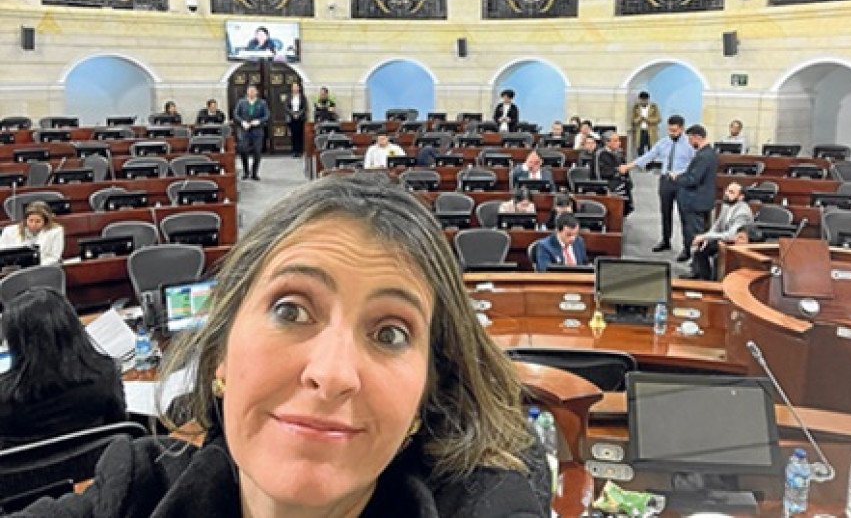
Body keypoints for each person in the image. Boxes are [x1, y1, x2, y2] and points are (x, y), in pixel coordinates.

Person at [16, 174, 550, 516]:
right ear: (220, 350)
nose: (333, 373)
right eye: (290, 309)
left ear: (425, 395)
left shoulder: (490, 507)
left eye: (391, 333)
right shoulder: (130, 493)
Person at [0, 288, 126, 449]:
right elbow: (122, 431)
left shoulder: (5, 398)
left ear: (14, 340)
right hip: (96, 470)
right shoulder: (105, 375)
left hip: (28, 474)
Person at [630, 114, 695, 261]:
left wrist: (681, 174)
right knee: (665, 212)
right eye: (670, 130)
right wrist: (630, 166)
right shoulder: (664, 142)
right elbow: (649, 156)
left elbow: (694, 165)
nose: (672, 133)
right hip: (665, 180)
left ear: (682, 129)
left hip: (682, 182)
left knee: (684, 215)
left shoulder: (690, 145)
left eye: (675, 131)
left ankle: (686, 247)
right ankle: (666, 240)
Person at [683, 181, 753, 280]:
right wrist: (707, 238)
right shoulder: (726, 206)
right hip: (723, 240)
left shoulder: (742, 213)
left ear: (741, 197)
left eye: (731, 192)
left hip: (735, 244)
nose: (726, 194)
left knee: (717, 256)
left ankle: (715, 283)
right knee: (701, 247)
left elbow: (731, 236)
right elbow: (717, 226)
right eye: (727, 191)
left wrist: (705, 236)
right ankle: (703, 277)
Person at [671, 124, 719, 262]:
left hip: (695, 201)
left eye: (690, 139)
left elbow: (693, 179)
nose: (689, 142)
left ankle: (698, 269)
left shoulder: (703, 156)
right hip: (701, 199)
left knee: (696, 235)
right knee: (694, 233)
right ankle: (695, 263)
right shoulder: (709, 153)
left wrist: (677, 178)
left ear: (697, 137)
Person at [0, 201, 64, 265]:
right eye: (30, 220)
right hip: (15, 268)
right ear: (26, 219)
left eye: (38, 221)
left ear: (45, 221)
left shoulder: (56, 231)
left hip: (43, 267)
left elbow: (54, 257)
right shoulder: (9, 231)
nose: (33, 224)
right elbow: (2, 253)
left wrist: (35, 265)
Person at [233, 84, 270, 181]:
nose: (251, 93)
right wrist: (242, 122)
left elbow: (267, 115)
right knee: (243, 150)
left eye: (253, 91)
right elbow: (236, 114)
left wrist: (259, 121)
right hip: (244, 130)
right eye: (250, 91)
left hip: (257, 131)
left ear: (256, 92)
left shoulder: (262, 103)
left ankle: (254, 173)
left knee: (257, 152)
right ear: (247, 92)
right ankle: (246, 171)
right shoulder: (241, 102)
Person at [594, 131, 634, 215]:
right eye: (615, 141)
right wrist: (617, 170)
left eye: (619, 140)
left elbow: (625, 170)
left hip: (620, 183)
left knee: (625, 186)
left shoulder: (618, 154)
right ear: (607, 142)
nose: (619, 143)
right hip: (606, 185)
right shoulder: (599, 154)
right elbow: (598, 174)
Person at [630, 91, 661, 156]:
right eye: (641, 100)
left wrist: (648, 120)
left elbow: (658, 119)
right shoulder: (636, 107)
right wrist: (640, 118)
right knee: (640, 148)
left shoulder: (654, 106)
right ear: (639, 99)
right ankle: (641, 163)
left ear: (648, 99)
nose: (643, 102)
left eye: (645, 100)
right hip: (640, 131)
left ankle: (651, 164)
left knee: (652, 148)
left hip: (651, 131)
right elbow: (633, 120)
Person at [285, 82, 308, 158]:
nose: (295, 88)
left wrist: (298, 114)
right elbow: (286, 107)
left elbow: (304, 107)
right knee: (293, 135)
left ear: (299, 88)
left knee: (300, 135)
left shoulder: (302, 97)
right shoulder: (288, 97)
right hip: (292, 118)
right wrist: (293, 114)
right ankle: (294, 151)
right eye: (293, 87)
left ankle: (300, 151)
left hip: (300, 118)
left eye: (296, 87)